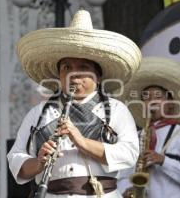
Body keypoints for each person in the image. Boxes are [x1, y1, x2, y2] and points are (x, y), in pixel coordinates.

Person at [7, 10, 142, 198]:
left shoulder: (117, 110)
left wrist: (81, 141)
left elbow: (129, 154)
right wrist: (39, 163)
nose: (74, 74)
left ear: (98, 75)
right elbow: (16, 159)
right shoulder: (38, 113)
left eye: (83, 68)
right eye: (67, 68)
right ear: (59, 74)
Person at [117, 57, 180, 198]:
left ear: (170, 103)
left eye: (158, 96)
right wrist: (125, 190)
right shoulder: (136, 136)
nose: (151, 102)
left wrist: (164, 161)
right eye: (146, 97)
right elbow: (123, 176)